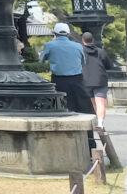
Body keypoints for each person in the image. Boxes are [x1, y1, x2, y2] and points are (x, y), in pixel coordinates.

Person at [40, 22, 96, 152]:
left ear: (55, 33)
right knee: (84, 111)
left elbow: (41, 60)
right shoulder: (77, 46)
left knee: (61, 111)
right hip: (77, 81)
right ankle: (90, 145)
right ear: (68, 33)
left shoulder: (50, 45)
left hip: (58, 82)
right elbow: (83, 62)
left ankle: (63, 146)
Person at [81, 31, 114, 130]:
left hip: (86, 79)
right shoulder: (100, 51)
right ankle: (100, 123)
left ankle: (95, 122)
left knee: (92, 103)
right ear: (93, 40)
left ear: (83, 41)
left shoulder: (80, 51)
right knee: (100, 103)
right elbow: (109, 65)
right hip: (100, 80)